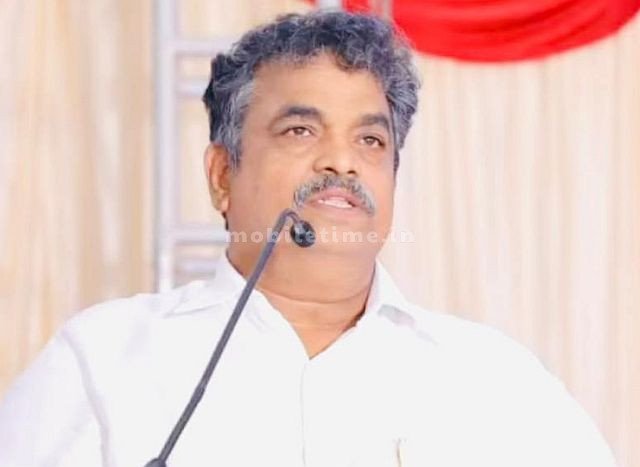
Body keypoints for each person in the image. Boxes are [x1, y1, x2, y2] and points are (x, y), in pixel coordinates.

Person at [0, 11, 618, 467]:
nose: (342, 162)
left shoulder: (496, 380)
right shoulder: (103, 361)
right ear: (222, 176)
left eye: (370, 140)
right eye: (300, 130)